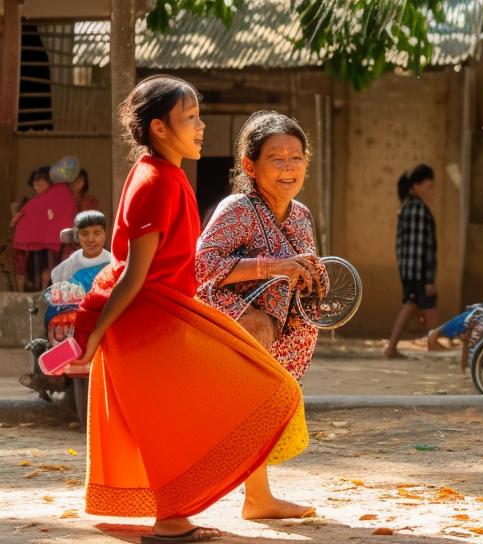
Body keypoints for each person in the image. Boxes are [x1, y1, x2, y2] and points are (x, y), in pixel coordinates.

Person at [69, 74, 309, 543]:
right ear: (160, 128)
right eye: (191, 118)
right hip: (152, 320)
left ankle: (215, 507)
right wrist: (93, 335)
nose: (201, 126)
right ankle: (173, 522)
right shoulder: (156, 182)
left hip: (164, 314)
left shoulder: (164, 174)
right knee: (254, 393)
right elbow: (134, 274)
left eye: (199, 116)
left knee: (195, 412)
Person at [195, 110, 328, 381]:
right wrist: (274, 268)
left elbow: (300, 275)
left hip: (288, 351)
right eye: (277, 159)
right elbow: (202, 266)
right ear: (249, 166)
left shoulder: (301, 215)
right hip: (242, 340)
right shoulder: (238, 209)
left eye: (296, 158)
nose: (288, 167)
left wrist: (313, 278)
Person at [386, 163, 438, 358]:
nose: (432, 191)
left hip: (411, 270)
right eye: (429, 185)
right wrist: (428, 279)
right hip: (417, 271)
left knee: (421, 304)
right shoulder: (417, 208)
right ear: (416, 186)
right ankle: (394, 347)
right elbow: (419, 247)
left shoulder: (409, 206)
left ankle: (433, 342)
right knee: (415, 304)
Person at [14, 164, 76, 292]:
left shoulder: (61, 195)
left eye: (42, 179)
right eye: (35, 181)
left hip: (53, 245)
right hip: (32, 246)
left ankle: (44, 291)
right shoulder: (31, 202)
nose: (38, 183)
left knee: (48, 268)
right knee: (33, 268)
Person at [50, 210, 112, 289]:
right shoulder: (65, 269)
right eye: (84, 234)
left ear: (105, 234)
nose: (91, 239)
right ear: (77, 235)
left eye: (97, 233)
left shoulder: (113, 264)